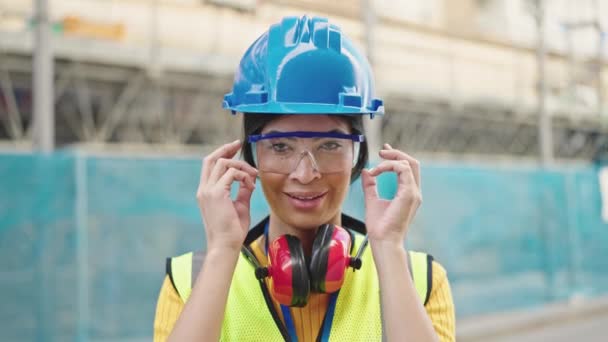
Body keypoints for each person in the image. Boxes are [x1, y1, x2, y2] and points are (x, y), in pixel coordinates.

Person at [153, 15, 455, 342]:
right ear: (250, 155)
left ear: (358, 154)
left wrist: (389, 248)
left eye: (329, 145)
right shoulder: (190, 281)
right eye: (281, 146)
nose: (306, 173)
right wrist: (223, 250)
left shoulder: (420, 280)